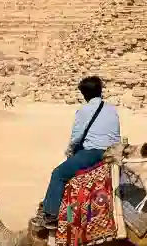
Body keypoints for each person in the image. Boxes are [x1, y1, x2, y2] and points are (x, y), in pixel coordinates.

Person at [40, 76, 121, 226]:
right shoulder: (112, 110)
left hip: (93, 154)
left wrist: (69, 153)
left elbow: (76, 138)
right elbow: (116, 136)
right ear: (100, 91)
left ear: (84, 94)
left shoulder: (84, 111)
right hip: (113, 153)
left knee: (58, 174)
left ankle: (51, 215)